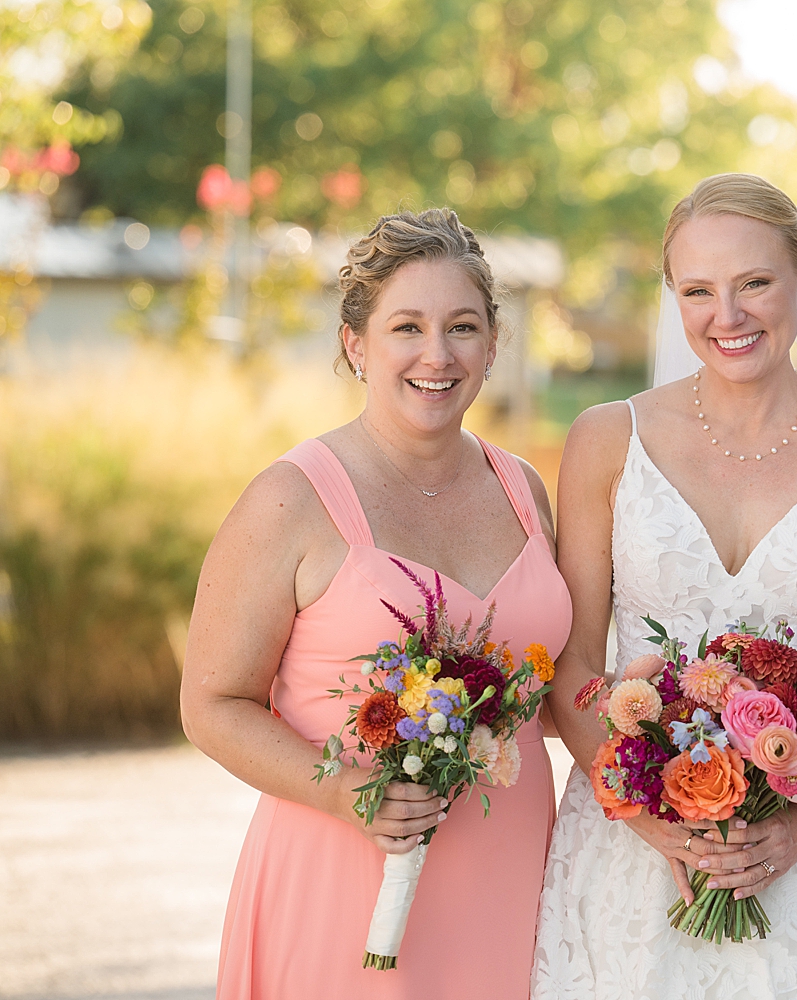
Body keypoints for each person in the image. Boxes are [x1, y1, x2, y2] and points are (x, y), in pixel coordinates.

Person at [531, 174, 797, 999]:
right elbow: (573, 668)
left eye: (754, 283)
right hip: (631, 857)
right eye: (698, 291)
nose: (727, 316)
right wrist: (660, 824)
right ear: (673, 298)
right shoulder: (607, 438)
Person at [181, 209, 571, 999]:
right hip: (344, 878)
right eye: (407, 327)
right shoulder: (291, 500)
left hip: (510, 881)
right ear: (356, 344)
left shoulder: (522, 489)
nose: (438, 354)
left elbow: (550, 695)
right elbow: (212, 703)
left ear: (493, 343)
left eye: (463, 326)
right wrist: (348, 791)